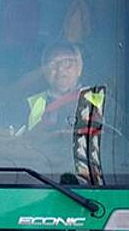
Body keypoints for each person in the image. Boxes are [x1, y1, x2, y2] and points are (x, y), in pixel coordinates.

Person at [13, 43, 106, 183]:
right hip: (39, 178)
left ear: (79, 68)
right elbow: (17, 144)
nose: (60, 70)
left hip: (88, 180)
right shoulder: (29, 103)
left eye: (68, 63)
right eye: (53, 64)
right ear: (45, 71)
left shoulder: (100, 99)